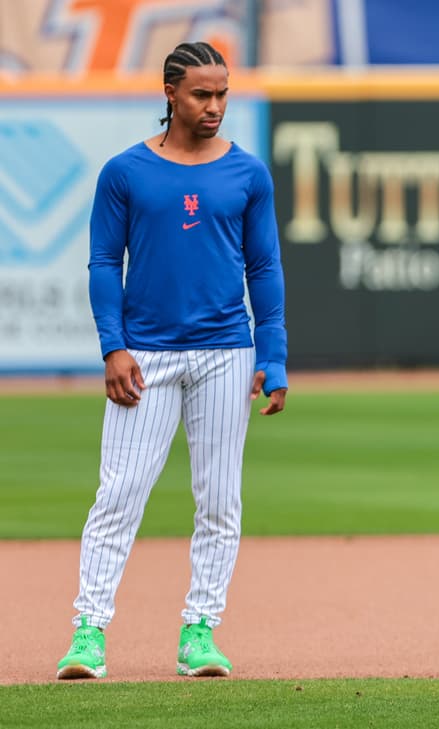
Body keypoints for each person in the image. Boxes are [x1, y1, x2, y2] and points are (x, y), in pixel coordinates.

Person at [56, 41, 287, 680]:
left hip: (225, 354)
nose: (214, 107)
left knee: (219, 499)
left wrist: (275, 353)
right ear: (170, 94)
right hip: (146, 356)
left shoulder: (248, 174)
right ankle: (88, 633)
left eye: (222, 95)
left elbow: (263, 266)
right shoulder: (125, 172)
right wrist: (113, 346)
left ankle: (200, 631)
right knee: (119, 494)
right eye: (201, 95)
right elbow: (105, 262)